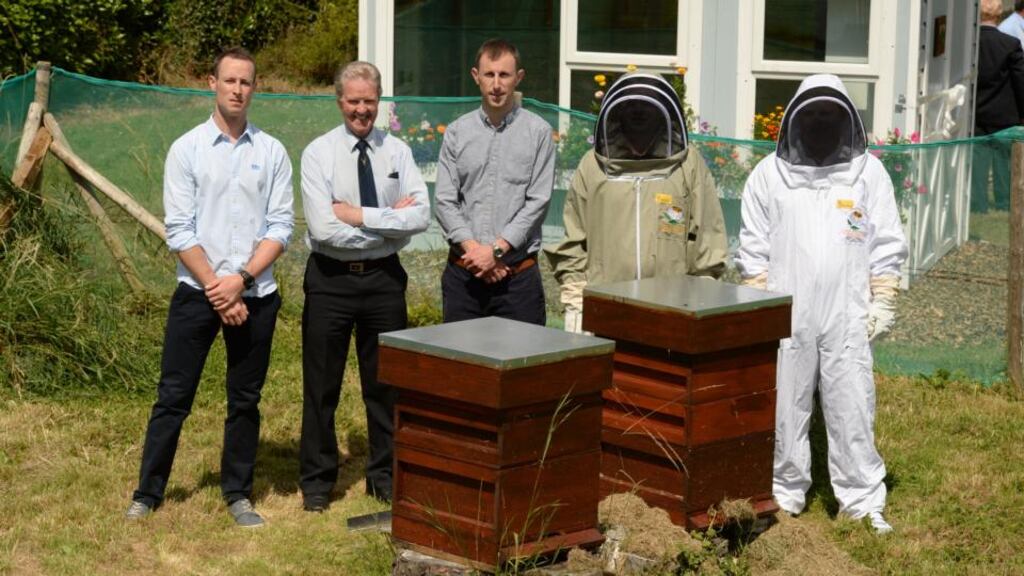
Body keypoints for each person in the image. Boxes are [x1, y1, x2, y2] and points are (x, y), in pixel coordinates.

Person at [125, 47, 294, 528]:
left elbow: (281, 226)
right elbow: (179, 231)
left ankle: (238, 493)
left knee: (245, 399)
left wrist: (239, 282)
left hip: (255, 295)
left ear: (254, 88)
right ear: (212, 83)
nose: (238, 90)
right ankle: (148, 492)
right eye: (230, 81)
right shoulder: (187, 149)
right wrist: (216, 290)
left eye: (246, 82)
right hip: (196, 296)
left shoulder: (273, 151)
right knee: (173, 396)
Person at [735, 74, 907, 535]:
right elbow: (753, 247)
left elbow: (885, 240)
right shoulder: (769, 175)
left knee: (852, 403)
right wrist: (759, 300)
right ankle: (783, 491)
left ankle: (862, 500)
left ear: (846, 118)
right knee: (784, 405)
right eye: (811, 114)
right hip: (785, 312)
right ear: (794, 118)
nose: (819, 122)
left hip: (847, 313)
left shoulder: (868, 173)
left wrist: (884, 296)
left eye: (829, 114)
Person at [298, 60, 430, 511]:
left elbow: (422, 217)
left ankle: (386, 476)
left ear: (379, 102)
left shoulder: (398, 153)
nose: (361, 110)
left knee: (386, 383)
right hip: (331, 280)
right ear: (339, 102)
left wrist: (359, 215)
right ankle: (317, 482)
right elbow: (323, 229)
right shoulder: (318, 154)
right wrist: (391, 224)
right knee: (321, 385)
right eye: (353, 101)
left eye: (369, 101)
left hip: (383, 281)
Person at [545, 73, 728, 332]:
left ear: (662, 111)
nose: (639, 111)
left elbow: (708, 236)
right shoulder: (593, 165)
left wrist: (704, 293)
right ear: (619, 110)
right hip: (605, 306)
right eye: (633, 105)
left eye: (647, 104)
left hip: (673, 308)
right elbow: (575, 236)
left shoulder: (688, 164)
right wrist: (576, 296)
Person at [435, 38, 555, 326]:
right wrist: (476, 252)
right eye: (489, 74)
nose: (497, 84)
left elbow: (537, 202)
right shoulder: (456, 133)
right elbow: (444, 201)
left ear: (519, 78)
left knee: (522, 368)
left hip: (517, 281)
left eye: (505, 75)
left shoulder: (538, 133)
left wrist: (496, 251)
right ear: (476, 76)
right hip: (464, 277)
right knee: (460, 367)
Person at [974, 0, 1024, 213]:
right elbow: (1020, 80)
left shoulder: (971, 43)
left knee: (979, 161)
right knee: (1004, 162)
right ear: (998, 15)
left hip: (976, 111)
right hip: (1005, 112)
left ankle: (978, 203)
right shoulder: (1010, 44)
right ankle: (1004, 202)